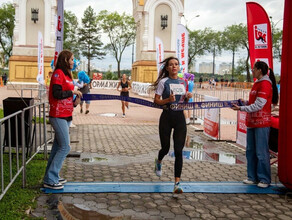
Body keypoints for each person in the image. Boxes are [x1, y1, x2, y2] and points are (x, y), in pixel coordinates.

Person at [232, 61, 278, 188]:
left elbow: (259, 105)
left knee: (261, 152)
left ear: (259, 70)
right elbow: (254, 101)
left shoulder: (265, 84)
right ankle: (252, 177)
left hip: (262, 123)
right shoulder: (257, 83)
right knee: (250, 151)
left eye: (254, 69)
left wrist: (241, 109)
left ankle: (264, 179)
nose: (252, 71)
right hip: (252, 122)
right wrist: (244, 102)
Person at [152, 56, 192, 194]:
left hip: (179, 117)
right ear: (167, 68)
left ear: (179, 67)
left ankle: (177, 183)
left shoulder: (183, 82)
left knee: (179, 151)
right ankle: (159, 160)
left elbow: (184, 102)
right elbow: (156, 101)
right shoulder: (163, 82)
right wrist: (168, 100)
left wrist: (187, 97)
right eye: (171, 65)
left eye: (176, 64)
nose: (174, 66)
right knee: (165, 147)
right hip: (167, 117)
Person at [43, 50, 82, 190]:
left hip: (65, 115)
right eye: (72, 59)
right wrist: (72, 92)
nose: (73, 62)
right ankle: (50, 179)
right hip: (57, 115)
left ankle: (51, 176)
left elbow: (65, 97)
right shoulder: (58, 73)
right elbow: (56, 93)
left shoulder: (67, 75)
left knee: (57, 148)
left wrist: (75, 102)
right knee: (65, 147)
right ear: (65, 60)